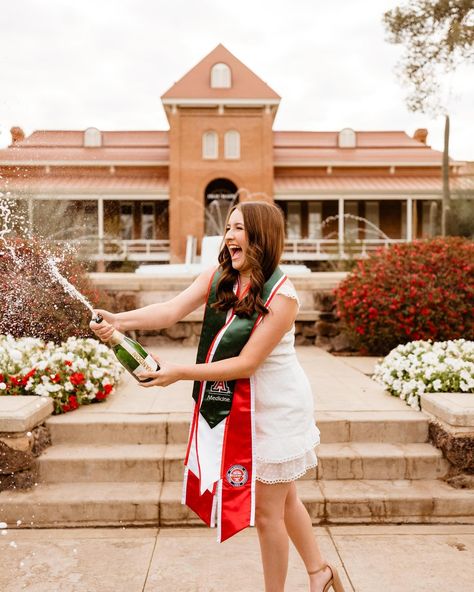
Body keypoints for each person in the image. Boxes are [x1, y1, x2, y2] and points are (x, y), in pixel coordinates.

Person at [90, 201, 344, 592]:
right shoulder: (219, 277)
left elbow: (247, 363)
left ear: (261, 236)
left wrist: (177, 373)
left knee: (267, 513)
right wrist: (118, 320)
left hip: (276, 408)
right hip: (241, 404)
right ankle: (319, 572)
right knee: (285, 499)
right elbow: (172, 310)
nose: (229, 236)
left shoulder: (283, 296)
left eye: (239, 229)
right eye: (227, 228)